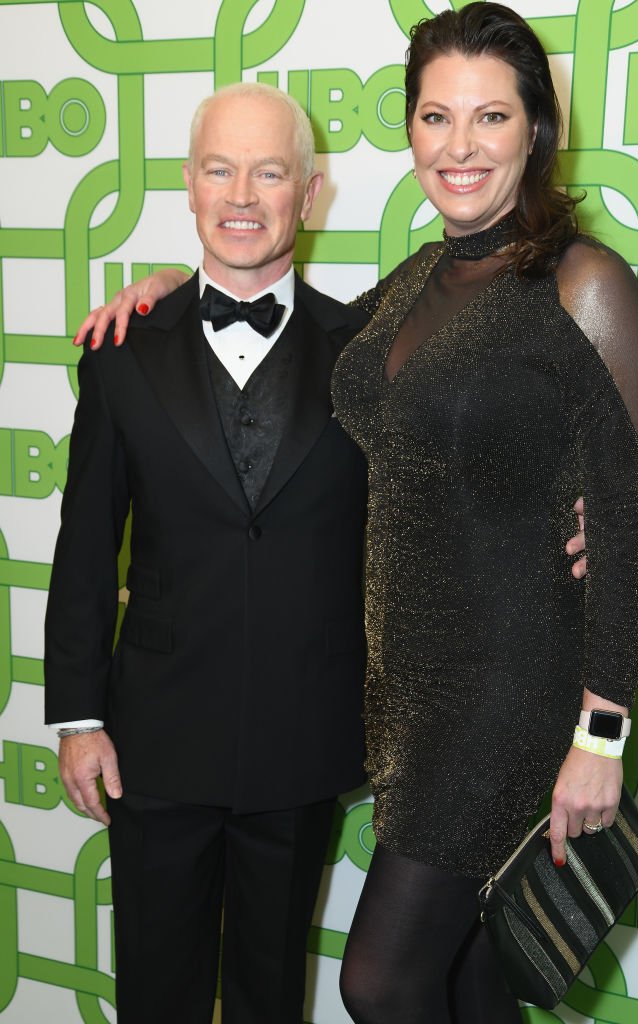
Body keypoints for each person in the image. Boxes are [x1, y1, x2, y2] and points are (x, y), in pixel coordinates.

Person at [329, 5, 638, 1022]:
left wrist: (599, 736)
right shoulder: (419, 277)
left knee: (380, 980)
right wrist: (187, 286)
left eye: (489, 117)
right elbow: (313, 353)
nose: (459, 146)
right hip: (405, 692)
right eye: (435, 117)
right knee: (470, 976)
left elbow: (622, 517)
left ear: (534, 129)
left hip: (505, 694)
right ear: (410, 128)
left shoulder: (582, 283)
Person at [44, 82, 372, 1024]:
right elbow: (83, 546)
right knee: (156, 990)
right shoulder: (120, 351)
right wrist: (77, 717)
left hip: (304, 736)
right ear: (189, 185)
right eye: (220, 169)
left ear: (307, 196)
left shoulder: (369, 352)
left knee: (272, 994)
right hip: (152, 738)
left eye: (269, 172)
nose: (242, 195)